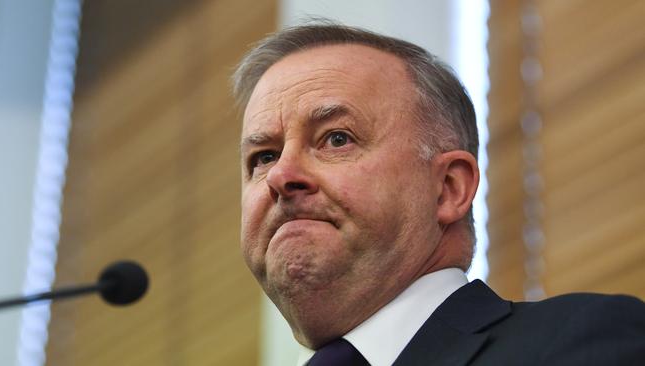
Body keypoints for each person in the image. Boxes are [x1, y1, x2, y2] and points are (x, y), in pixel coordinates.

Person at [232, 23, 645, 366]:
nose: (281, 175)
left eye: (336, 139)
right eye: (263, 156)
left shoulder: (583, 343)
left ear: (449, 188)